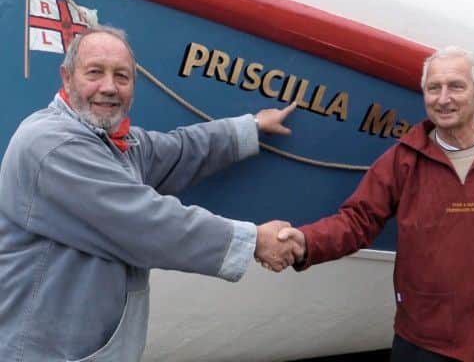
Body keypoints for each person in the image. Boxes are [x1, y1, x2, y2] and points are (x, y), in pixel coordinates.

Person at [0, 25, 303, 362]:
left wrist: (250, 127)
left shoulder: (111, 142)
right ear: (67, 77)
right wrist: (253, 239)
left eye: (122, 77)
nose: (109, 87)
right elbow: (144, 221)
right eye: (95, 72)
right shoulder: (51, 144)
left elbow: (177, 150)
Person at [277, 46, 474, 361]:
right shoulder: (403, 159)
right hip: (423, 339)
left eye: (456, 86)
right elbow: (357, 221)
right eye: (433, 88)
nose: (443, 99)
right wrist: (305, 242)